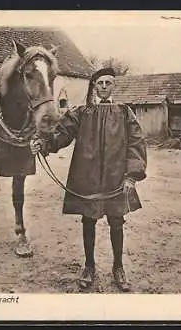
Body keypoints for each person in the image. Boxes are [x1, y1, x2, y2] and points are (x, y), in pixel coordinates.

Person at [30, 68, 147, 292]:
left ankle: (118, 267)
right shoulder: (82, 113)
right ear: (94, 86)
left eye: (108, 83)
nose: (103, 86)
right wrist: (44, 144)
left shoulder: (124, 113)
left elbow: (136, 144)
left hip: (115, 177)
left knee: (116, 222)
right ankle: (89, 266)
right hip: (88, 177)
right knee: (88, 221)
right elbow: (62, 134)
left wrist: (132, 176)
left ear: (114, 86)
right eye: (100, 83)